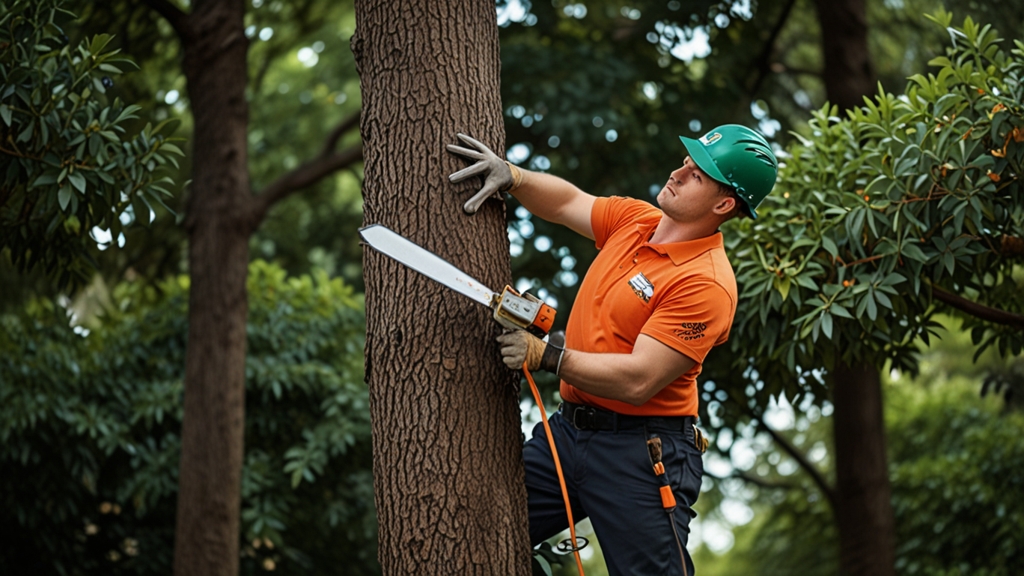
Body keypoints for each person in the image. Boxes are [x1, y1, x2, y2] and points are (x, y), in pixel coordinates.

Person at [446, 125, 778, 576]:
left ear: (724, 204)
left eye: (697, 175)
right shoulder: (636, 221)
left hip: (642, 453)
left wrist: (545, 356)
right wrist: (513, 176)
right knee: (473, 534)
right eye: (686, 162)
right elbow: (567, 203)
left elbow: (640, 379)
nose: (679, 173)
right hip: (569, 434)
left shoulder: (706, 283)